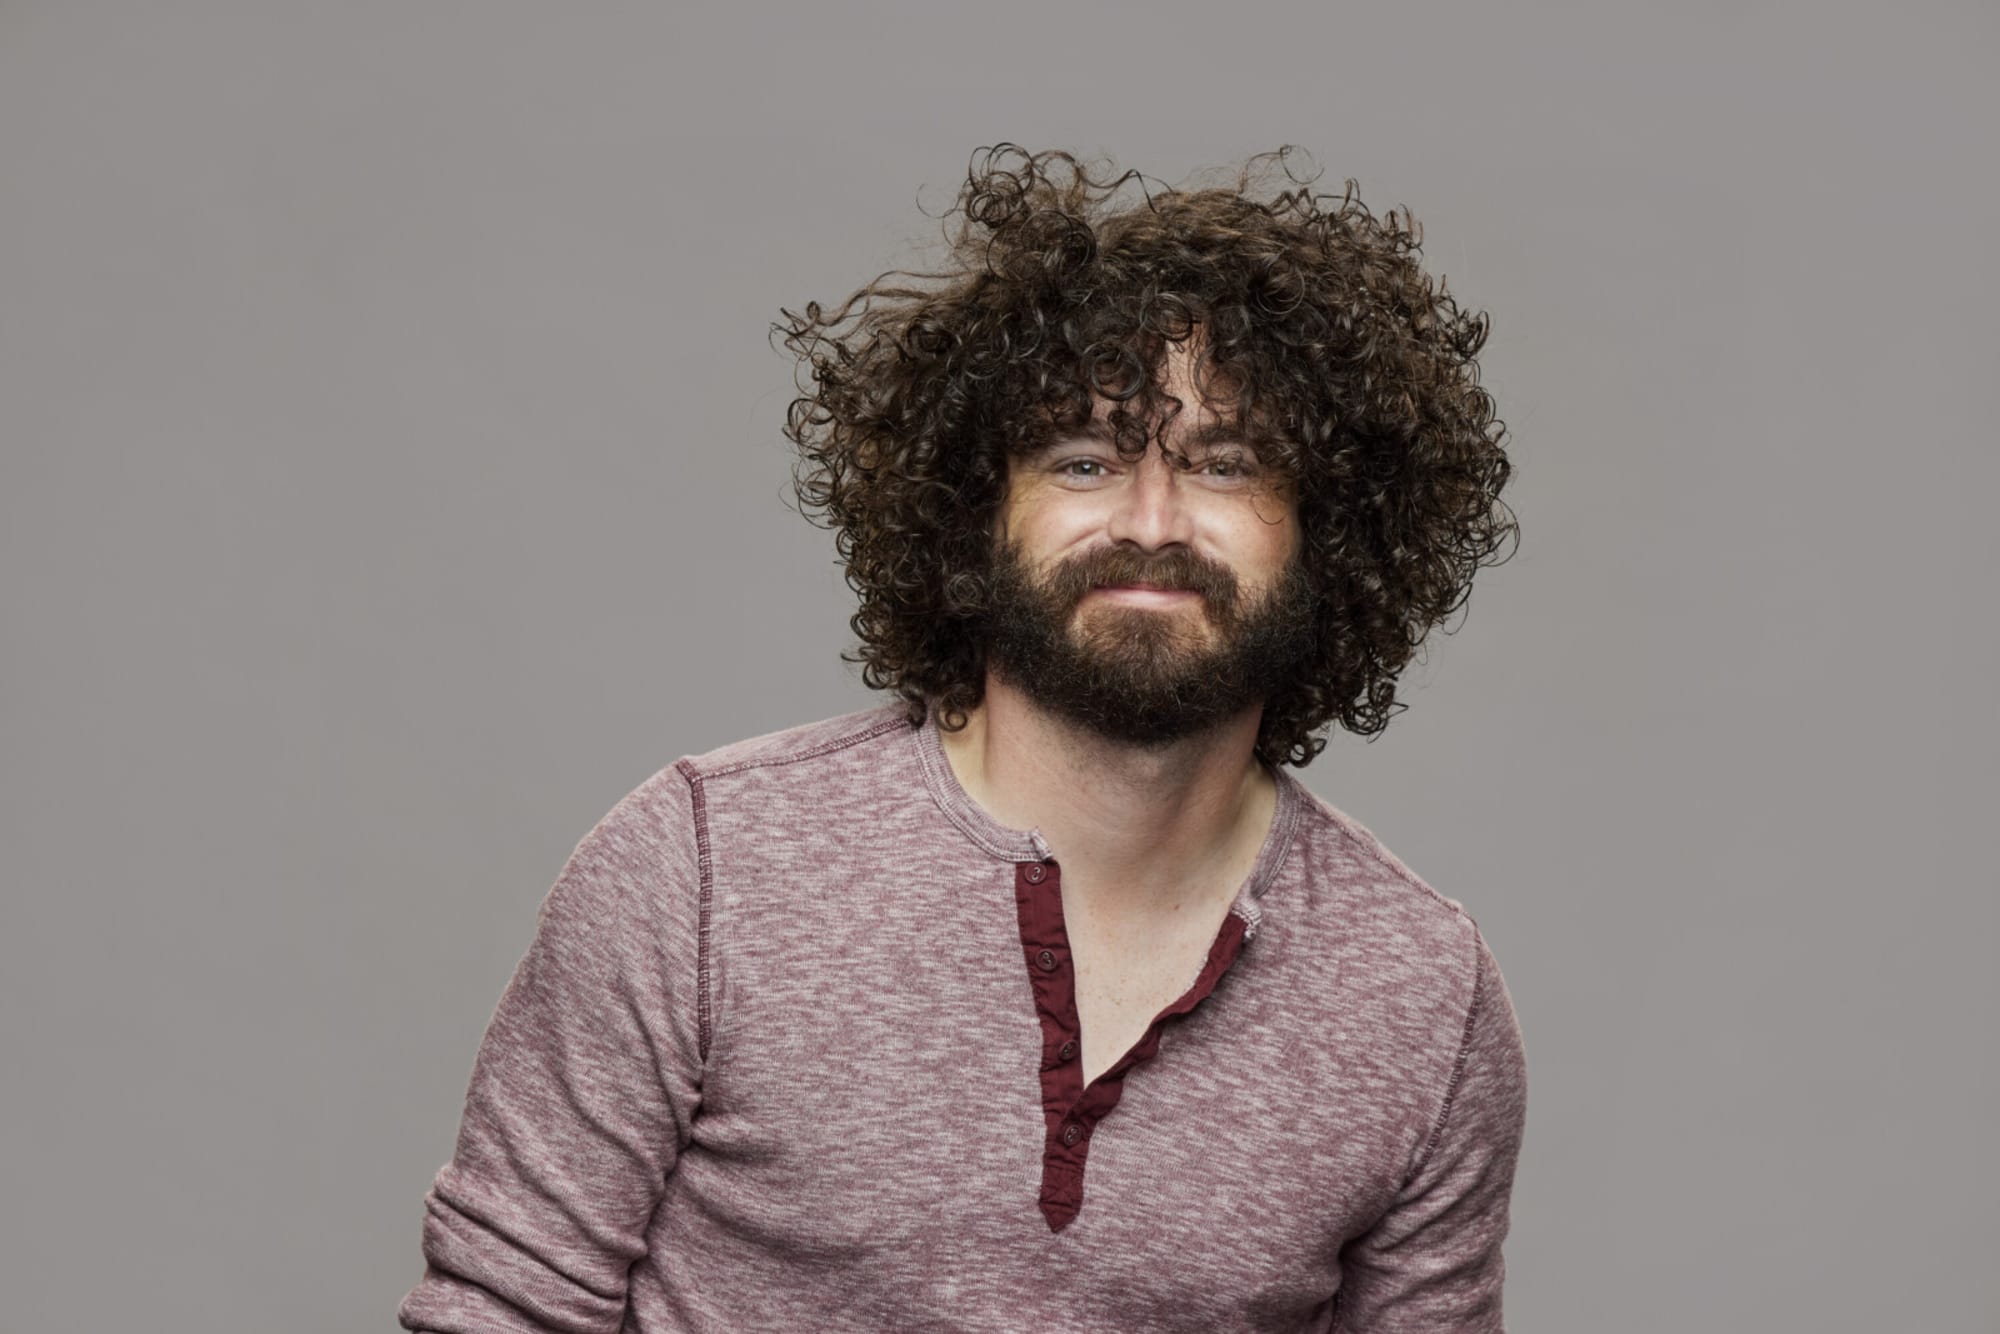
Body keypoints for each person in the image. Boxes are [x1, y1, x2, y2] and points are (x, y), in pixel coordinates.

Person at [398, 144, 1527, 1333]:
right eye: (1082, 459)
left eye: (1225, 464)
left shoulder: (1421, 994)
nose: (1151, 521)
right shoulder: (703, 869)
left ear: (1330, 535)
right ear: (971, 520)